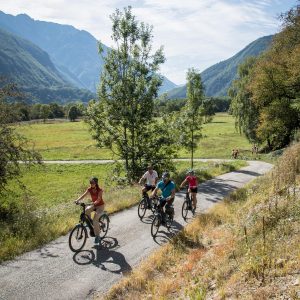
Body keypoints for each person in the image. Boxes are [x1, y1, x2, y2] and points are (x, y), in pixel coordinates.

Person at [75, 177, 105, 244]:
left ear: (96, 183)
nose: (91, 184)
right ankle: (92, 224)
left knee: (95, 220)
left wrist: (95, 202)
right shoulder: (89, 189)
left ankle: (97, 236)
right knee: (86, 210)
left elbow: (99, 199)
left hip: (100, 206)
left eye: (93, 183)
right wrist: (77, 200)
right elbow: (83, 195)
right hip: (94, 205)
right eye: (90, 183)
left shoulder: (100, 190)